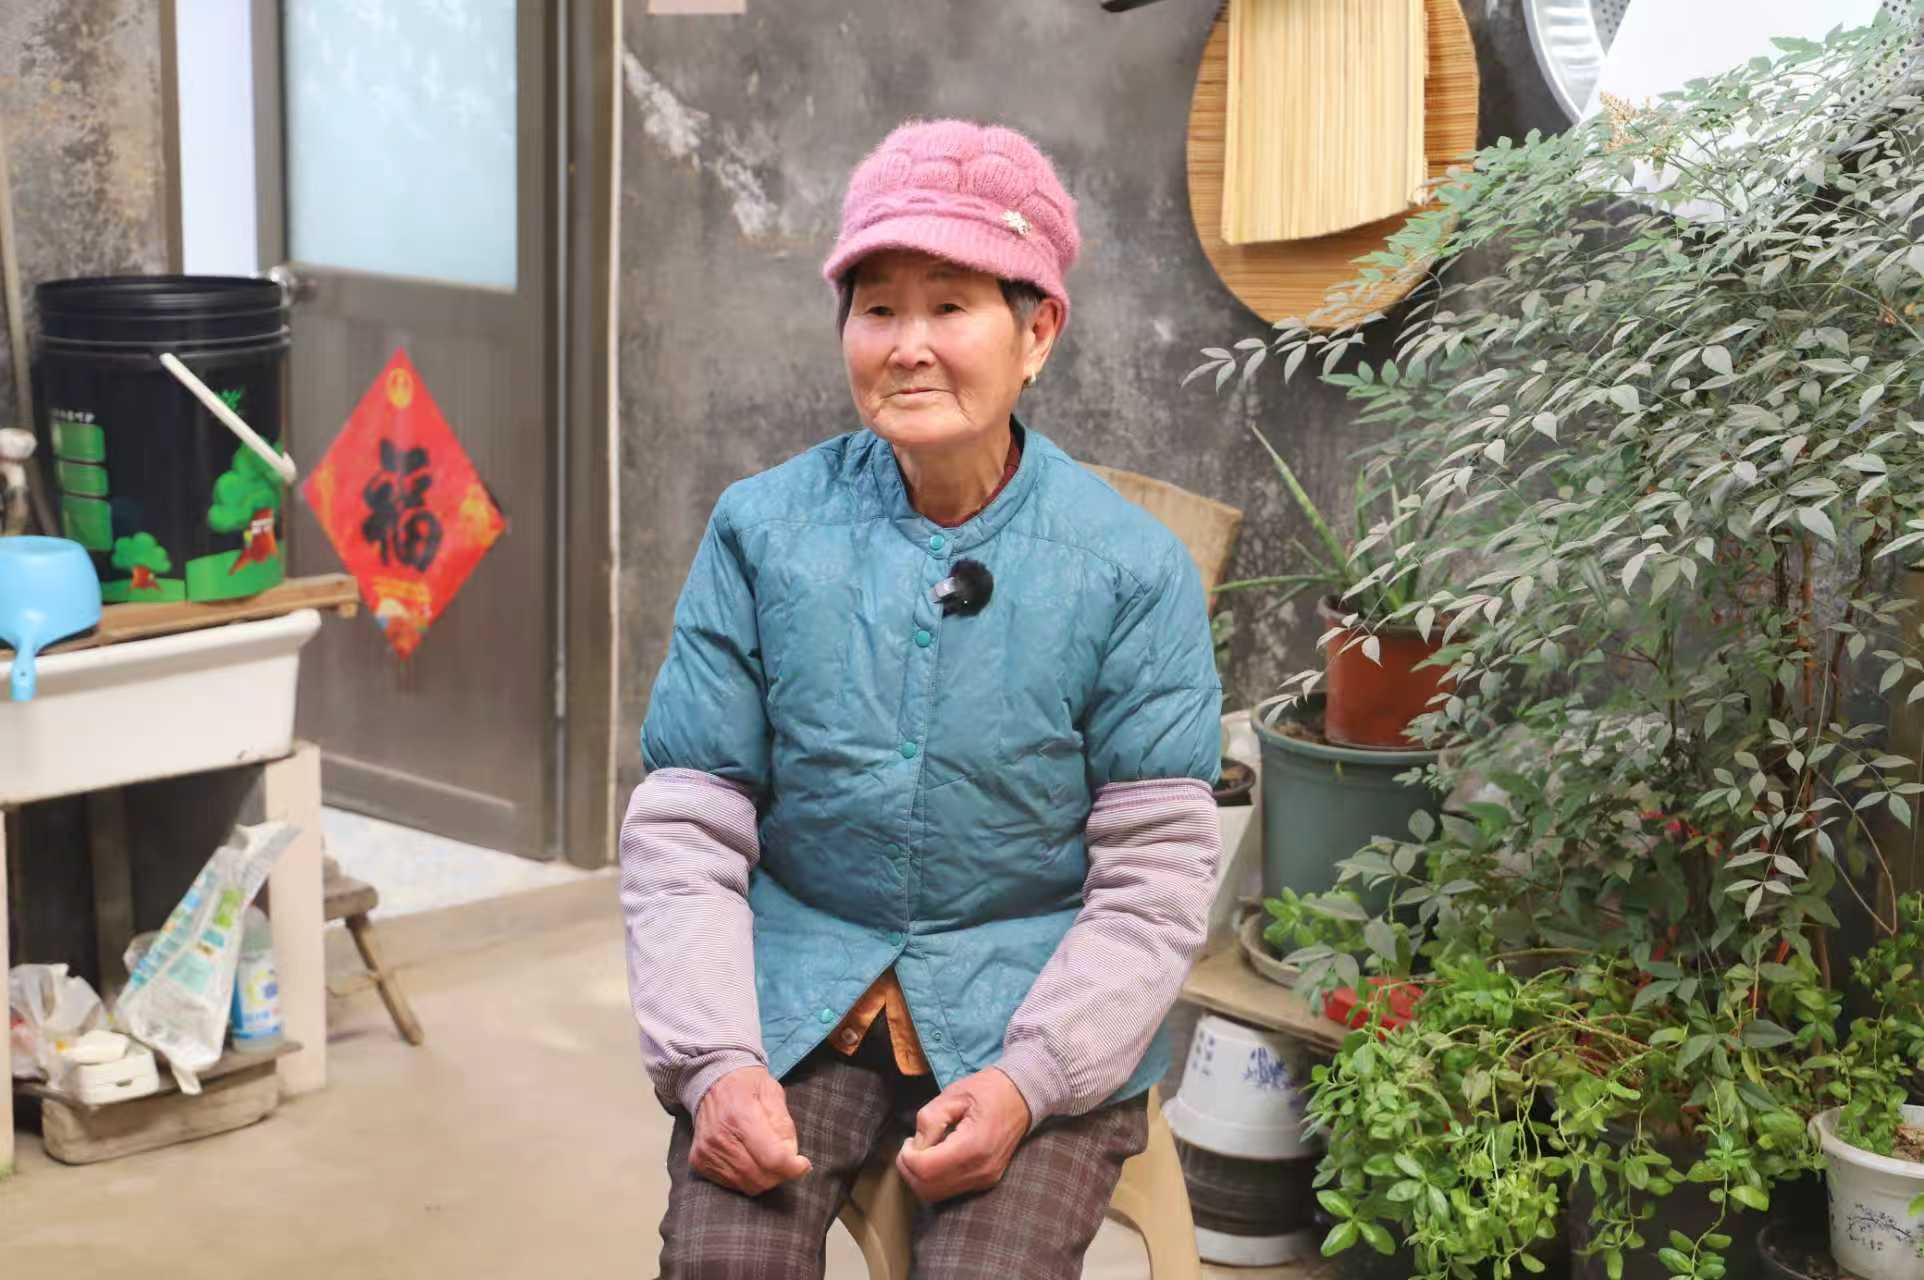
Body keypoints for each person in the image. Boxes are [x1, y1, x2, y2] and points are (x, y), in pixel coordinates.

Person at [622, 118, 1223, 1279]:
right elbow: (687, 823)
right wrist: (713, 1061)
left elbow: (1153, 880)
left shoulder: (1127, 570)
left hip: (1032, 998)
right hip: (801, 983)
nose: (908, 346)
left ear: (1037, 331)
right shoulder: (762, 531)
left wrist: (1030, 1078)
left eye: (949, 306)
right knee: (723, 1261)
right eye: (877, 308)